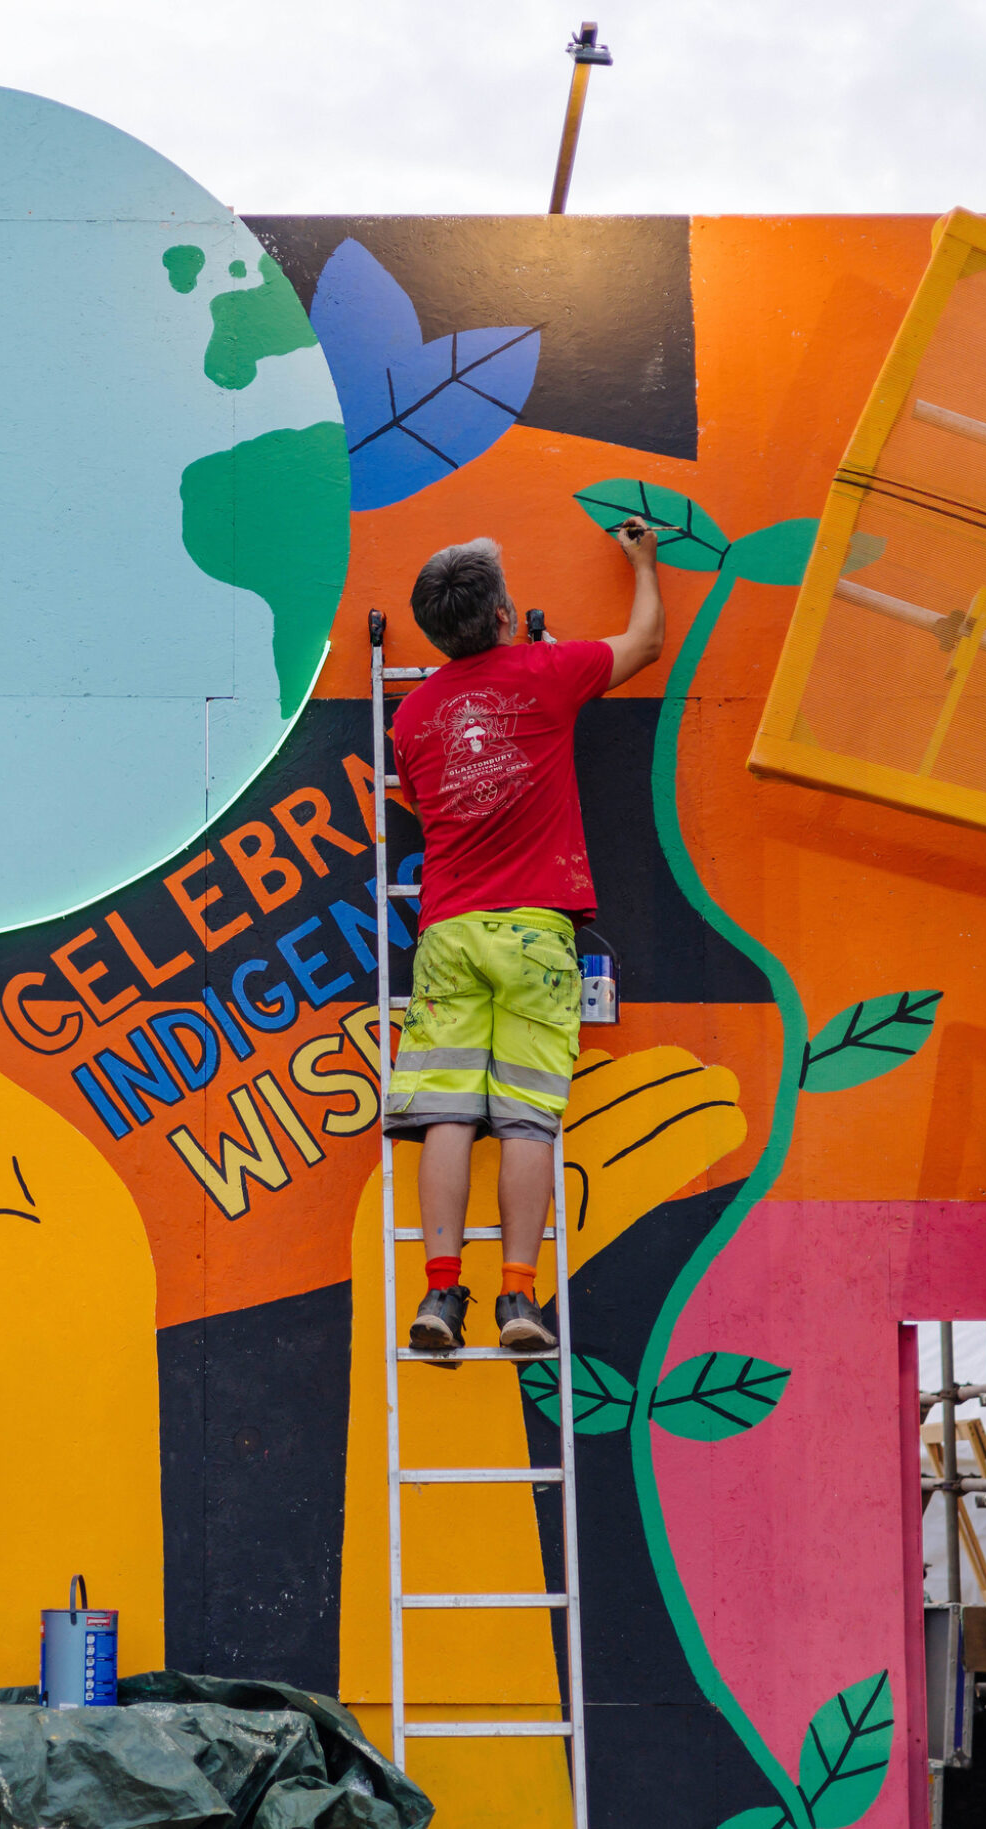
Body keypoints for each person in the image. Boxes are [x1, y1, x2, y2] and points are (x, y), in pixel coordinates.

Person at [383, 521, 665, 1355]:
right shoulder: (547, 671)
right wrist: (642, 563)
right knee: (526, 1123)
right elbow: (645, 641)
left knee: (445, 1118)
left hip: (448, 932)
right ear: (505, 613)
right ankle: (516, 1299)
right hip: (536, 933)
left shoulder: (413, 716)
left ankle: (440, 1293)